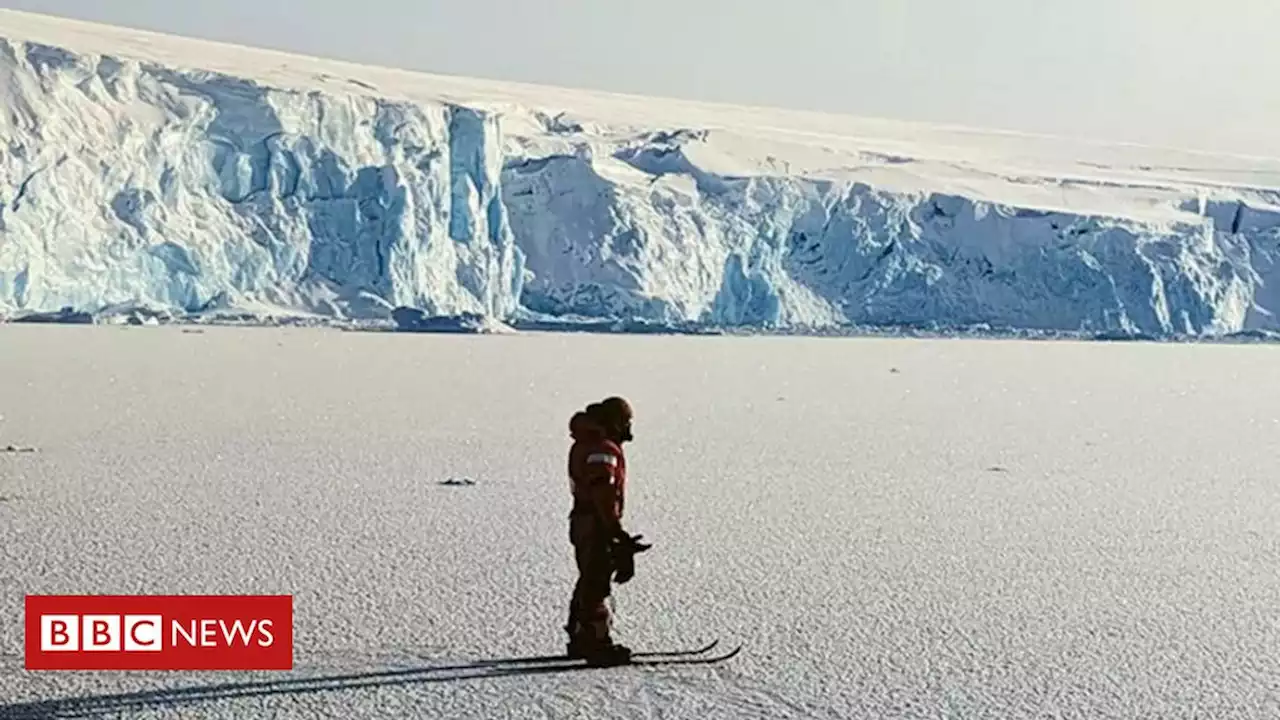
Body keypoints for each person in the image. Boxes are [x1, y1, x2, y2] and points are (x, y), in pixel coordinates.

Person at [564, 396, 648, 666]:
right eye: (626, 422)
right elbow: (603, 491)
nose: (629, 430)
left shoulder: (586, 443)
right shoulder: (604, 448)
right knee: (596, 581)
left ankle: (580, 636)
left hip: (583, 520)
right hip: (595, 522)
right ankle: (596, 643)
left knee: (588, 577)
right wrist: (615, 530)